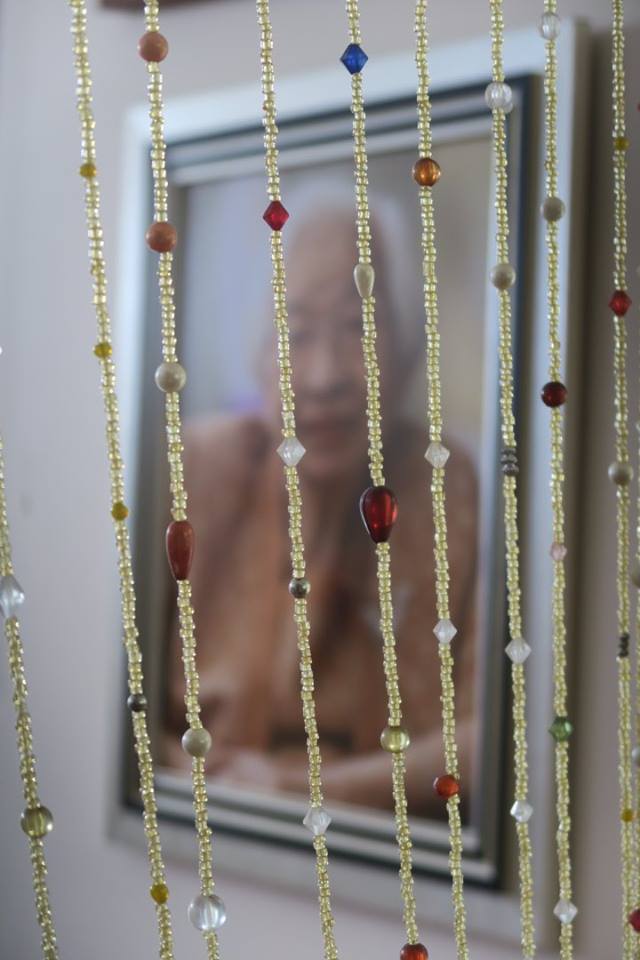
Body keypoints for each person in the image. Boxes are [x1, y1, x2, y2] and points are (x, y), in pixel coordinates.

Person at [163, 197, 478, 820]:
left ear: (409, 349)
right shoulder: (195, 470)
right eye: (296, 332)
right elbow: (112, 700)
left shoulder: (446, 485)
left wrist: (299, 794)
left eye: (359, 327)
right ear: (254, 352)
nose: (325, 376)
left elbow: (496, 734)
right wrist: (194, 784)